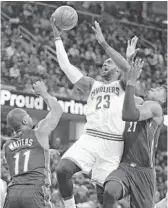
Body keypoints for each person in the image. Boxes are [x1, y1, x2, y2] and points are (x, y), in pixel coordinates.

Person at [51, 14, 141, 208]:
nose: (105, 63)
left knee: (105, 197)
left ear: (116, 69)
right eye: (105, 62)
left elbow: (127, 67)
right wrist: (57, 36)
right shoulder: (92, 85)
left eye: (109, 62)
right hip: (90, 137)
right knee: (62, 169)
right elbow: (65, 66)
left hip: (113, 144)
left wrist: (104, 43)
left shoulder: (124, 85)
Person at [103, 58, 167, 208]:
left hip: (144, 171)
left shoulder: (155, 108)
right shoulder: (138, 102)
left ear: (163, 100)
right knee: (110, 191)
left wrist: (132, 81)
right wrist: (128, 61)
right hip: (124, 166)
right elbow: (119, 92)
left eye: (158, 90)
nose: (153, 88)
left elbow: (129, 115)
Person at [3, 81, 63, 208]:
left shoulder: (7, 146)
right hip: (35, 191)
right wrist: (43, 92)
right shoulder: (39, 132)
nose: (31, 118)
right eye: (28, 116)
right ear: (25, 121)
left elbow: (24, 153)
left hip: (13, 194)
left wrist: (46, 151)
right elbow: (58, 110)